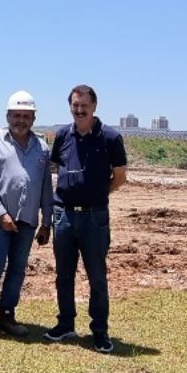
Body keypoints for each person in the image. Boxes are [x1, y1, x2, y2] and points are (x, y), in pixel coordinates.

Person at [44, 84, 127, 353]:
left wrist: (98, 194)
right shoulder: (63, 135)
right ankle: (65, 324)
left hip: (95, 218)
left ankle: (99, 331)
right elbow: (57, 167)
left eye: (84, 106)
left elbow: (120, 177)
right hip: (65, 216)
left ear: (94, 107)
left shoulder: (110, 138)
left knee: (97, 276)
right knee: (63, 275)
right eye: (75, 105)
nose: (79, 110)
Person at [0, 90, 53, 340]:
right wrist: (0, 213)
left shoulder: (41, 147)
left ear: (33, 117)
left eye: (26, 115)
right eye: (16, 115)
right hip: (0, 220)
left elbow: (45, 188)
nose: (21, 120)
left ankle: (6, 316)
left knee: (18, 269)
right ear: (8, 116)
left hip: (28, 220)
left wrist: (46, 222)